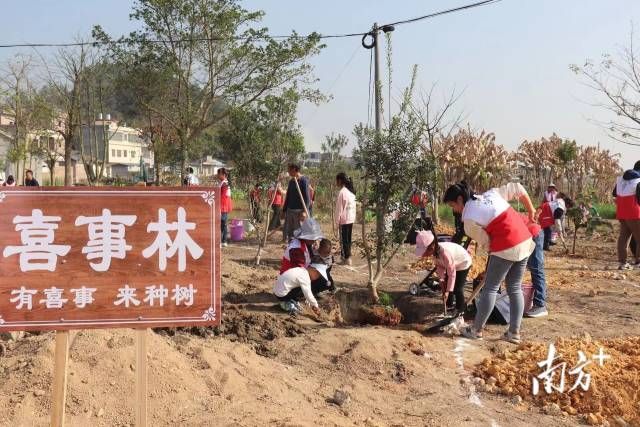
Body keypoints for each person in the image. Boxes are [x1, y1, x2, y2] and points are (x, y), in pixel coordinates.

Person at [444, 181, 536, 344]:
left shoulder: (468, 219)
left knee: (490, 288)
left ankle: (476, 330)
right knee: (514, 286)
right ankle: (514, 333)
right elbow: (518, 188)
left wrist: (491, 266)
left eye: (452, 206)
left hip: (506, 245)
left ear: (459, 199)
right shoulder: (491, 193)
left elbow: (487, 243)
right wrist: (530, 210)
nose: (454, 210)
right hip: (524, 239)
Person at [415, 230, 472, 314]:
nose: (424, 255)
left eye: (425, 252)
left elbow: (452, 273)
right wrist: (441, 279)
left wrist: (448, 291)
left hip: (463, 263)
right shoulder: (435, 253)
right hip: (451, 265)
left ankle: (460, 310)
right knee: (446, 285)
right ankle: (449, 305)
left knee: (457, 288)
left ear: (432, 247)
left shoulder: (445, 253)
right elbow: (440, 266)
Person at [613, 160, 640, 269]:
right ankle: (638, 263)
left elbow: (614, 193)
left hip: (622, 212)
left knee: (624, 237)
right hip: (634, 212)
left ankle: (622, 263)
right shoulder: (638, 180)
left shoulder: (621, 180)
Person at [282, 164, 311, 242]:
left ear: (294, 169)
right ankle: (291, 247)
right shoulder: (291, 181)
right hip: (290, 210)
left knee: (299, 232)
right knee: (290, 232)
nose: (288, 172)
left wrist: (305, 211)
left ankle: (299, 248)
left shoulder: (303, 180)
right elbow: (288, 196)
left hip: (299, 212)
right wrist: (284, 210)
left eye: (289, 170)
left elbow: (307, 197)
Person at [335, 172, 357, 266]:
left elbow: (339, 209)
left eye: (336, 180)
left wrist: (337, 221)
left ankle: (346, 259)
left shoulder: (342, 193)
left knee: (344, 240)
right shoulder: (351, 192)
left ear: (340, 181)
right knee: (348, 239)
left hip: (344, 220)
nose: (336, 183)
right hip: (350, 218)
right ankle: (348, 257)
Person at [217, 168, 232, 247]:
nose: (218, 175)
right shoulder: (223, 183)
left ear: (223, 175)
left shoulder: (225, 184)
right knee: (223, 223)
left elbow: (223, 196)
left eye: (219, 174)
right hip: (224, 205)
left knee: (222, 223)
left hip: (223, 206)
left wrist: (217, 205)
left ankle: (223, 241)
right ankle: (224, 240)